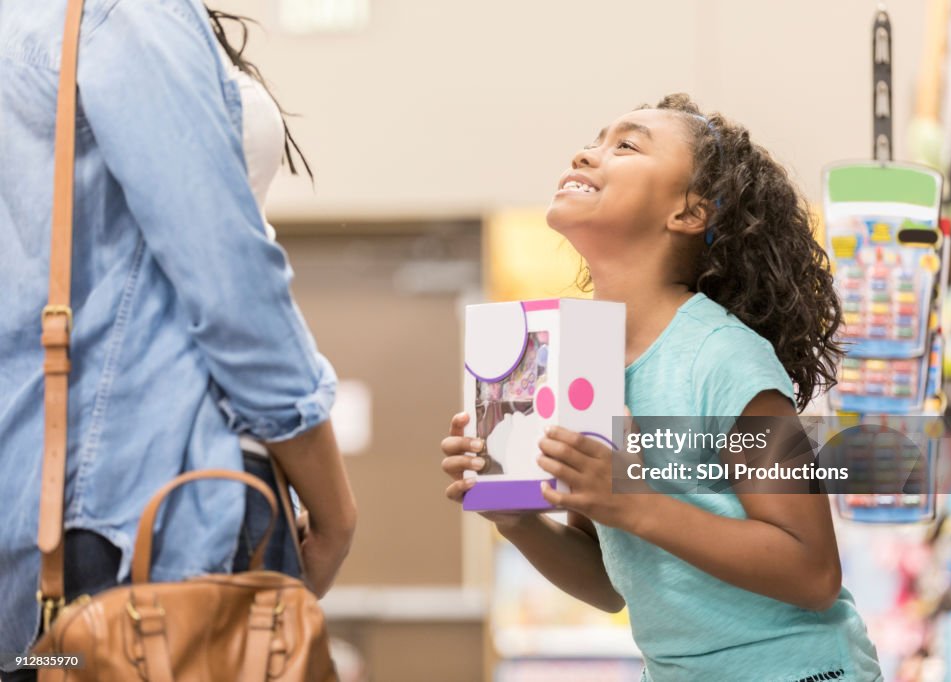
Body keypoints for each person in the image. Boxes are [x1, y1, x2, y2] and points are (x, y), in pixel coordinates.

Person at [441, 94, 882, 680]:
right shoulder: (580, 361)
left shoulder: (721, 356)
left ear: (690, 212)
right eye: (594, 141)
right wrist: (517, 519)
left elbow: (814, 572)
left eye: (625, 145)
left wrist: (632, 501)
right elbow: (608, 584)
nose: (585, 154)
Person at [0, 1, 357, 679]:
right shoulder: (124, 12)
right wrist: (335, 511)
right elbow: (229, 280)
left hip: (38, 522)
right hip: (147, 506)